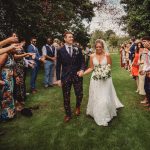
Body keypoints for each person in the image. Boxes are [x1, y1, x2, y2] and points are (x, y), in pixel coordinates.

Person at [79, 39, 124, 126]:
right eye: (97, 47)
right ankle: (96, 113)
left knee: (105, 98)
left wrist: (104, 72)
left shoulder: (107, 55)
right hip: (95, 79)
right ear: (95, 47)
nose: (98, 48)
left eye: (100, 47)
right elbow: (91, 68)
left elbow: (109, 67)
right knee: (96, 97)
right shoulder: (92, 56)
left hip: (106, 79)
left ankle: (106, 115)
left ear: (103, 47)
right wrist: (83, 73)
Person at [56, 31, 85, 122]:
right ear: (65, 39)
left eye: (72, 37)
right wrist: (58, 79)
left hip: (77, 76)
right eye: (69, 37)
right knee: (66, 96)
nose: (71, 38)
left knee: (79, 94)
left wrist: (82, 69)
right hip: (66, 77)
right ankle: (68, 114)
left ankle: (77, 107)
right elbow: (58, 65)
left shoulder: (78, 48)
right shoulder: (60, 50)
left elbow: (82, 62)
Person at [141, 36, 150, 110]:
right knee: (146, 88)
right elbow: (146, 63)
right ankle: (148, 102)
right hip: (147, 72)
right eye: (142, 41)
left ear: (149, 41)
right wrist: (144, 70)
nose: (143, 43)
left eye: (144, 41)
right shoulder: (145, 51)